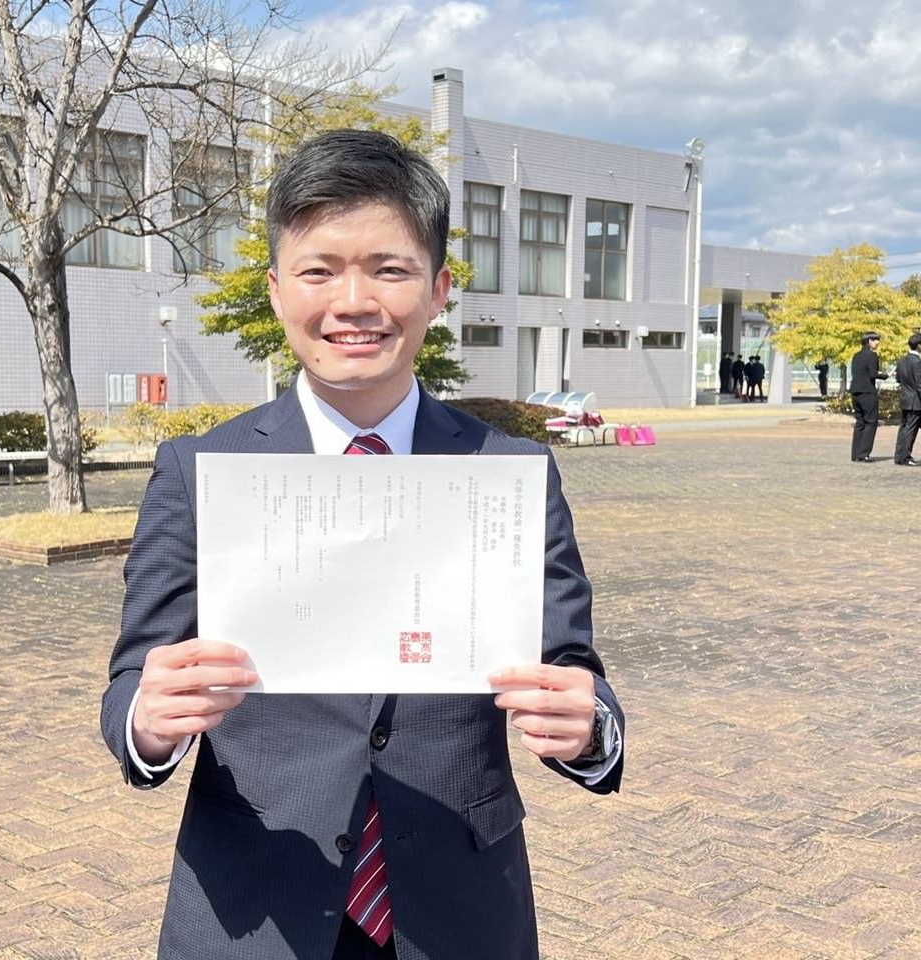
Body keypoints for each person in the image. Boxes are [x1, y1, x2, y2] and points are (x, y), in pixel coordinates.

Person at [100, 129, 625, 960]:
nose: (353, 302)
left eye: (389, 269)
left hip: (459, 909)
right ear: (276, 289)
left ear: (439, 288)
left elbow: (572, 667)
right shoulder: (202, 470)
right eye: (319, 271)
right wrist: (149, 722)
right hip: (256, 899)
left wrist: (589, 726)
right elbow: (134, 677)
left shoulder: (508, 472)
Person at [850, 331, 890, 462]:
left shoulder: (856, 356)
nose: (877, 342)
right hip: (867, 392)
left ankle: (856, 454)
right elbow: (873, 374)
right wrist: (885, 375)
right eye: (875, 340)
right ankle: (864, 453)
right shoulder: (872, 355)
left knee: (860, 422)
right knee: (871, 422)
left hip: (855, 392)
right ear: (869, 341)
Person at [894, 333, 921, 466]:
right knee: (910, 429)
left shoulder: (902, 360)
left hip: (905, 398)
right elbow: (919, 383)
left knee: (904, 428)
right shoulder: (917, 362)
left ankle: (899, 456)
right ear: (919, 346)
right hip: (915, 400)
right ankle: (905, 457)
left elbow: (898, 379)